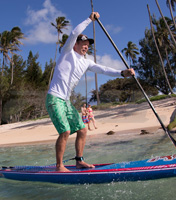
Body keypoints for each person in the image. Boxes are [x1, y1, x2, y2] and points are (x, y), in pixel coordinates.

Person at [46, 12, 135, 172]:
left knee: (82, 129)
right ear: (75, 45)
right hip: (54, 98)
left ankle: (79, 161)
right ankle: (59, 166)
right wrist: (89, 19)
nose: (86, 45)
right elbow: (74, 33)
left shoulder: (86, 62)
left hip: (65, 101)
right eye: (83, 43)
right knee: (65, 131)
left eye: (87, 44)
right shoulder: (67, 52)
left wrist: (122, 73)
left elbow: (104, 69)